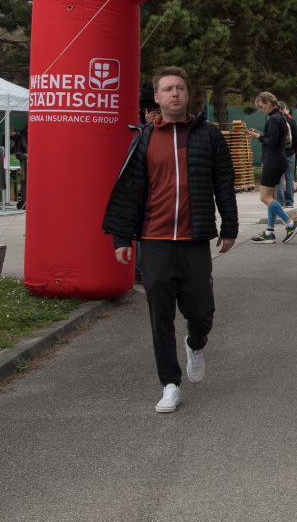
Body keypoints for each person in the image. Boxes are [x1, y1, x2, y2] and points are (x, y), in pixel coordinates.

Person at [101, 67, 238, 414]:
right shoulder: (144, 138)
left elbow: (224, 182)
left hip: (195, 240)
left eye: (180, 88)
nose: (175, 93)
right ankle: (170, 384)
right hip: (155, 240)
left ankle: (195, 342)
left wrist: (230, 225)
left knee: (202, 312)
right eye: (167, 89)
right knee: (160, 315)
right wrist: (122, 237)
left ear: (188, 95)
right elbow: (131, 190)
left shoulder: (208, 135)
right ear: (157, 98)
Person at [246, 92, 297, 243]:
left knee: (264, 197)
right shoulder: (280, 117)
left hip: (273, 162)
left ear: (268, 104)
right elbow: (275, 140)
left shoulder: (273, 119)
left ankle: (290, 223)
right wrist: (261, 136)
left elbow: (273, 142)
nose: (260, 110)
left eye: (261, 106)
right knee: (272, 197)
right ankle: (269, 232)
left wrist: (258, 137)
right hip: (279, 161)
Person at [277, 100, 297, 207]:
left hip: (278, 153)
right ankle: (290, 201)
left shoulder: (275, 121)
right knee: (289, 177)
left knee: (278, 178)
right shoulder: (291, 121)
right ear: (284, 109)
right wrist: (293, 149)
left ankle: (280, 201)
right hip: (290, 153)